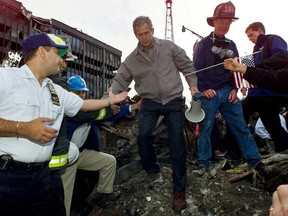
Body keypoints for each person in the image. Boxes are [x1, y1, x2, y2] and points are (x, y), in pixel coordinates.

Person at [0, 32, 127, 216]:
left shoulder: (55, 90)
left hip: (45, 177)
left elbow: (83, 105)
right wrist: (23, 128)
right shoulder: (5, 78)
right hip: (8, 179)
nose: (61, 60)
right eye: (56, 53)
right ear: (42, 52)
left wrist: (109, 101)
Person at [109, 15, 198, 212]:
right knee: (143, 136)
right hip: (149, 101)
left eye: (147, 33)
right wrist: (111, 96)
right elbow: (119, 80)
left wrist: (193, 87)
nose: (144, 37)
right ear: (135, 35)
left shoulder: (169, 47)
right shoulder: (132, 59)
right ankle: (151, 169)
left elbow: (187, 67)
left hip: (173, 99)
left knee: (177, 143)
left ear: (152, 30)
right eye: (140, 34)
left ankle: (179, 190)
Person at [192, 1, 262, 175]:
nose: (224, 25)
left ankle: (255, 162)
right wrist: (203, 89)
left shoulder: (232, 44)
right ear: (214, 22)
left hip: (228, 91)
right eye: (221, 21)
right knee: (205, 128)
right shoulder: (203, 44)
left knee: (241, 127)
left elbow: (236, 70)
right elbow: (196, 70)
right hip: (210, 94)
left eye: (228, 22)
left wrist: (234, 89)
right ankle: (203, 163)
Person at [61, 75, 142, 216]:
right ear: (69, 93)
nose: (81, 95)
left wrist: (133, 107)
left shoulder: (88, 108)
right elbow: (93, 114)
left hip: (79, 154)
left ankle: (104, 193)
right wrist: (108, 106)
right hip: (65, 158)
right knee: (65, 197)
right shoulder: (67, 110)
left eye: (83, 92)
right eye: (77, 92)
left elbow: (105, 115)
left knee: (109, 161)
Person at [241, 22, 288, 152]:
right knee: (273, 126)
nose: (250, 38)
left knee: (240, 110)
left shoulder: (272, 39)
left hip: (272, 90)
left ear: (260, 31)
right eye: (248, 37)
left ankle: (234, 150)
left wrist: (258, 67)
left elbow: (283, 57)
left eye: (251, 34)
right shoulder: (256, 50)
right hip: (261, 92)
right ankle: (284, 149)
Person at [224, 51, 288, 92]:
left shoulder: (273, 40)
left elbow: (277, 78)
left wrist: (244, 68)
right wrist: (243, 68)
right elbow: (277, 78)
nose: (250, 38)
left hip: (269, 95)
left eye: (251, 35)